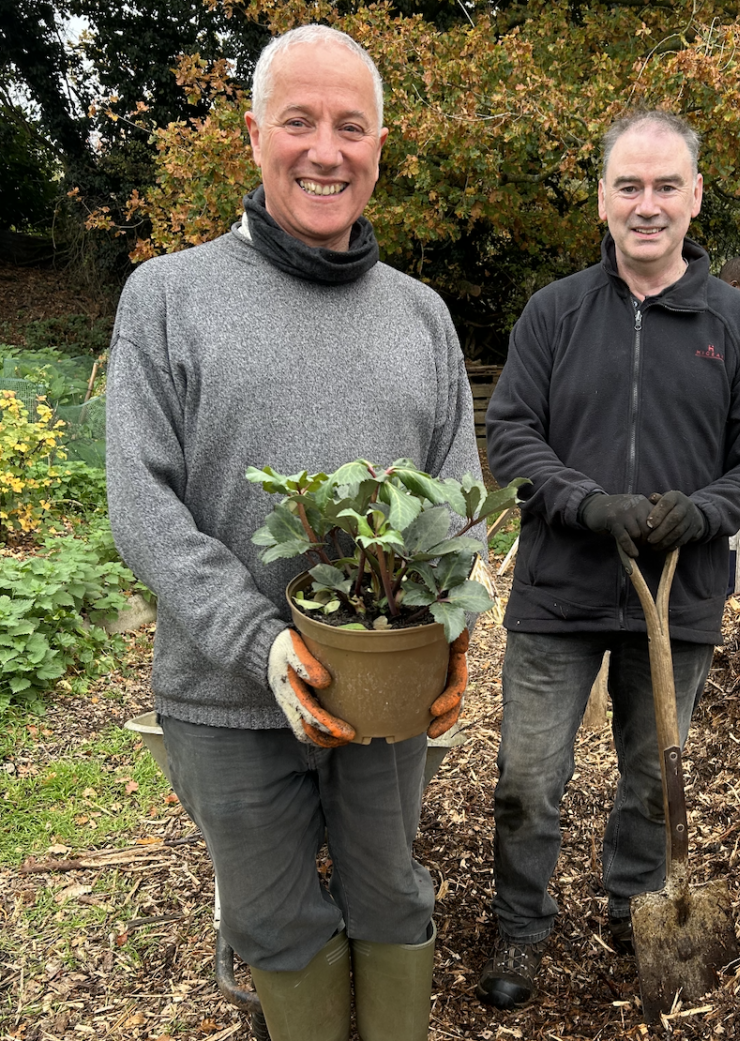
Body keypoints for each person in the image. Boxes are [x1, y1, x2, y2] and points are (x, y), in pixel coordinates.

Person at [106, 25, 482, 1041]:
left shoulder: (420, 316)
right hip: (226, 696)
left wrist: (450, 631)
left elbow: (457, 496)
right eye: (299, 122)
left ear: (379, 146)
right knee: (274, 919)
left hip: (386, 688)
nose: (326, 150)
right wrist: (257, 641)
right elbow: (141, 504)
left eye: (350, 126)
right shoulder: (169, 299)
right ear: (254, 135)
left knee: (392, 897)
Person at [479, 109, 740, 1009]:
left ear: (695, 198)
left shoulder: (737, 325)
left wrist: (700, 513)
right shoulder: (555, 312)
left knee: (656, 773)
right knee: (529, 779)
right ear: (604, 199)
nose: (646, 204)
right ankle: (520, 924)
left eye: (665, 186)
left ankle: (634, 907)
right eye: (629, 185)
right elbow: (513, 433)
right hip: (560, 588)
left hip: (678, 587)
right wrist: (587, 504)